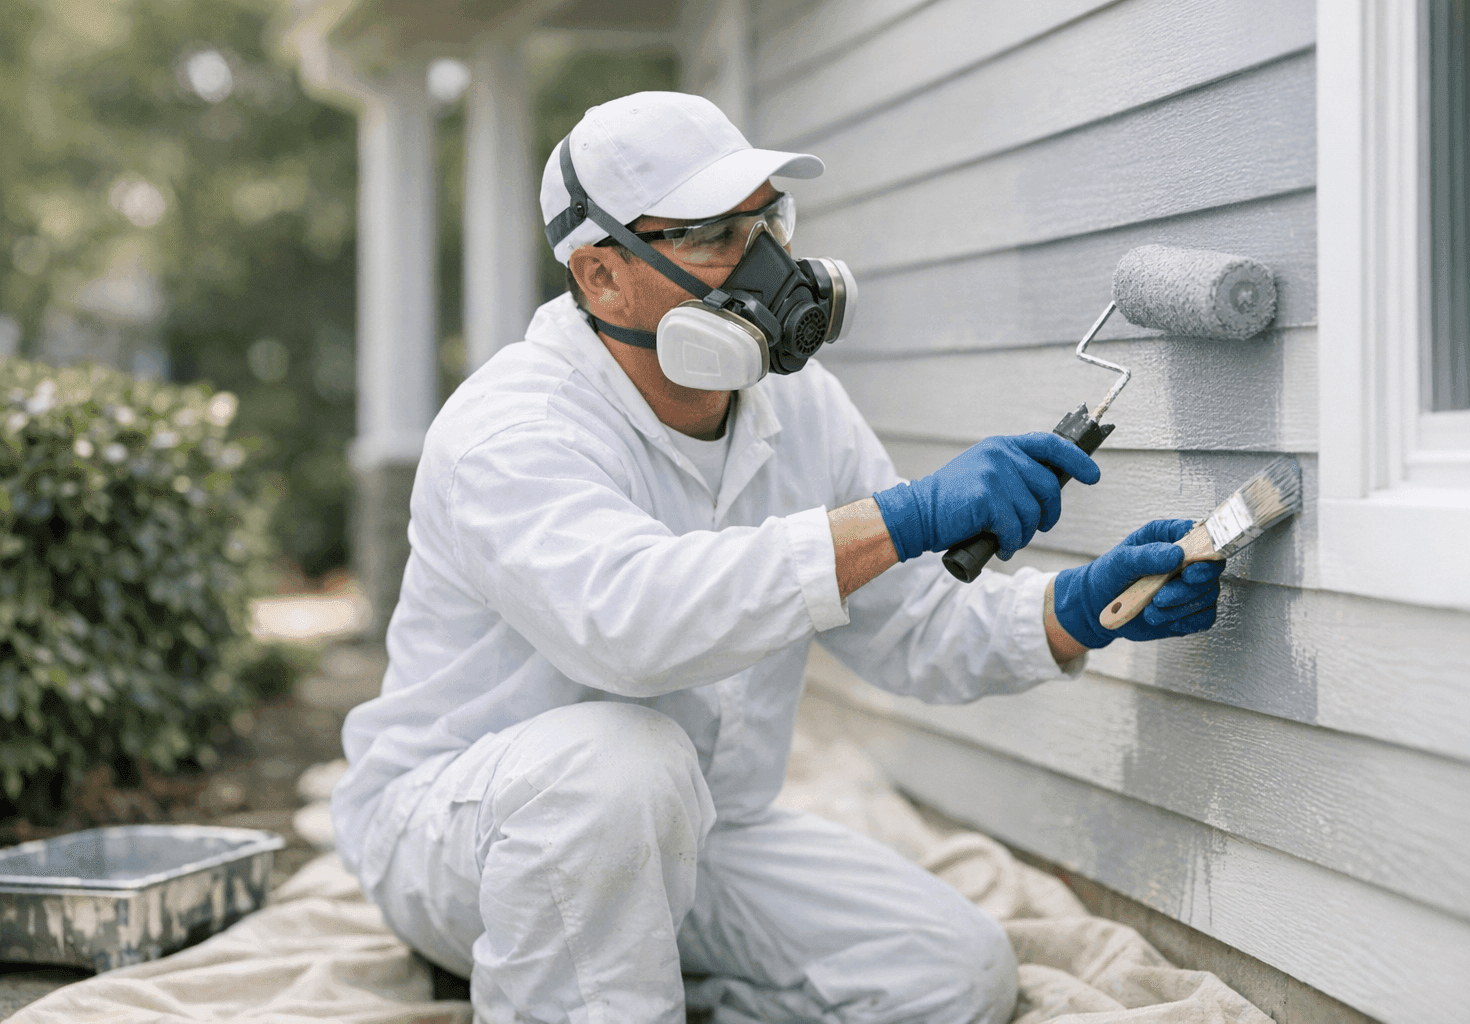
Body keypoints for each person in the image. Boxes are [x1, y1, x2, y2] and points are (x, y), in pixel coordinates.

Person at [330, 91, 1223, 1024]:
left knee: (952, 973)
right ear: (600, 275)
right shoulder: (512, 428)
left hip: (699, 832)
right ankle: (553, 970)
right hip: (479, 836)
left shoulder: (800, 408)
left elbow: (914, 625)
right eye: (717, 234)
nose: (769, 266)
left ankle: (629, 976)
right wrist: (907, 513)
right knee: (619, 761)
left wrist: (1078, 608)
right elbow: (633, 628)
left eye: (771, 220)